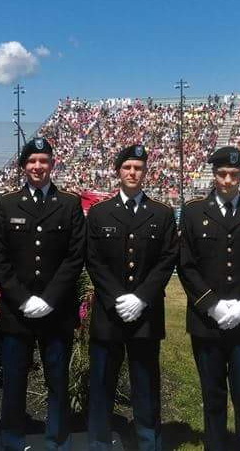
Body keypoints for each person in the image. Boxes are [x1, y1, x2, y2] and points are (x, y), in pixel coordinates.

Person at [177, 146, 240, 451]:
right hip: (207, 322)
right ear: (214, 174)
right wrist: (212, 305)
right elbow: (186, 263)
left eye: (234, 174)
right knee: (213, 394)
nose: (228, 180)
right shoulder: (194, 211)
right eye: (222, 174)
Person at [0, 137, 85, 451]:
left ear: (52, 165)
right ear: (23, 166)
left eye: (44, 161)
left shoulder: (69, 204)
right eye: (32, 161)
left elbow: (75, 256)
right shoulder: (7, 203)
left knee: (57, 381)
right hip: (17, 312)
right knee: (14, 383)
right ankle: (12, 441)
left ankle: (57, 440)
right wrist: (23, 298)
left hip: (56, 311)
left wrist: (48, 298)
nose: (38, 166)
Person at [86, 144, 178, 450]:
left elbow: (167, 259)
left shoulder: (162, 213)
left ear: (145, 172)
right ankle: (99, 441)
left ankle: (148, 441)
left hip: (145, 315)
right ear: (118, 172)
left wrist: (141, 297)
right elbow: (93, 259)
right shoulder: (99, 213)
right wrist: (116, 298)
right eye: (127, 167)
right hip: (108, 315)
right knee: (101, 384)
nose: (132, 173)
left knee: (146, 384)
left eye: (138, 168)